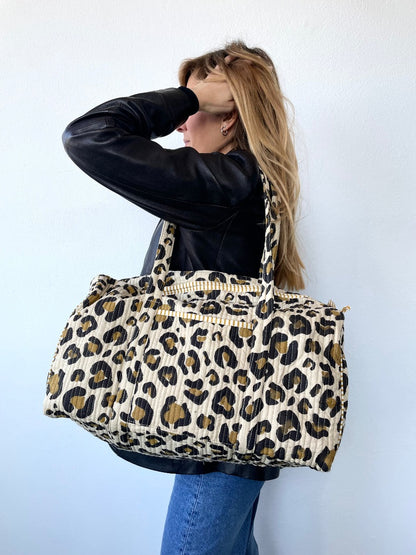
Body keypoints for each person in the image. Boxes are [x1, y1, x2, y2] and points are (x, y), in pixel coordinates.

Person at [62, 40, 305, 555]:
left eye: (194, 108)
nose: (179, 125)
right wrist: (195, 99)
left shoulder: (227, 185)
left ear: (229, 118)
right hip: (229, 426)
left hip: (215, 438)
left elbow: (88, 136)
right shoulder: (239, 182)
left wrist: (186, 96)